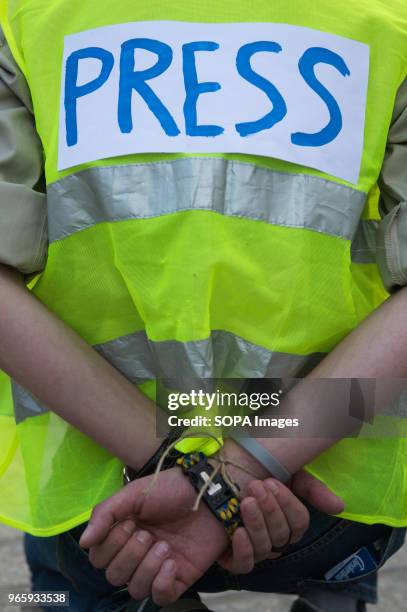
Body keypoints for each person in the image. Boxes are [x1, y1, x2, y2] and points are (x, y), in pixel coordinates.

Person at [0, 1, 406, 611]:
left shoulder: (28, 17)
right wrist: (241, 470)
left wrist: (174, 463)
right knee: (337, 580)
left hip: (109, 490)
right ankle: (338, 591)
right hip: (320, 484)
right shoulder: (389, 20)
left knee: (64, 591)